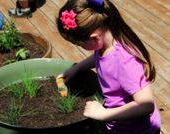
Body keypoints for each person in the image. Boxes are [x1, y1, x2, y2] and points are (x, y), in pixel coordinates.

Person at [56, 0, 161, 134]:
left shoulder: (126, 61)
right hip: (119, 123)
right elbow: (101, 58)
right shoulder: (105, 43)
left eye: (79, 44)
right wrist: (78, 68)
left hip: (135, 130)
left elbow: (146, 105)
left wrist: (104, 114)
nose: (79, 47)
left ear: (94, 38)